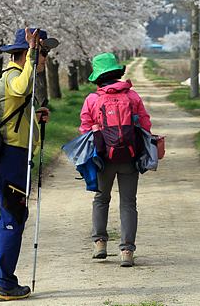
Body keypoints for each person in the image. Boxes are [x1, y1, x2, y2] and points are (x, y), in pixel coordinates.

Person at [0, 27, 52, 301]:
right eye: (43, 53)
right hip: (11, 157)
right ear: (27, 54)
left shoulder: (12, 77)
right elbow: (21, 88)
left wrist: (35, 116)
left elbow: (16, 107)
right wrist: (31, 55)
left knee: (15, 214)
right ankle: (4, 282)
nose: (45, 59)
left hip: (12, 156)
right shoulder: (14, 77)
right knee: (13, 218)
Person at [79, 52, 151, 268]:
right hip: (129, 157)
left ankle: (100, 243)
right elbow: (145, 125)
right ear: (117, 74)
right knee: (128, 203)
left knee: (101, 199)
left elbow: (84, 128)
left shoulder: (92, 99)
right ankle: (127, 250)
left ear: (98, 77)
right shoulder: (132, 97)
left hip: (103, 159)